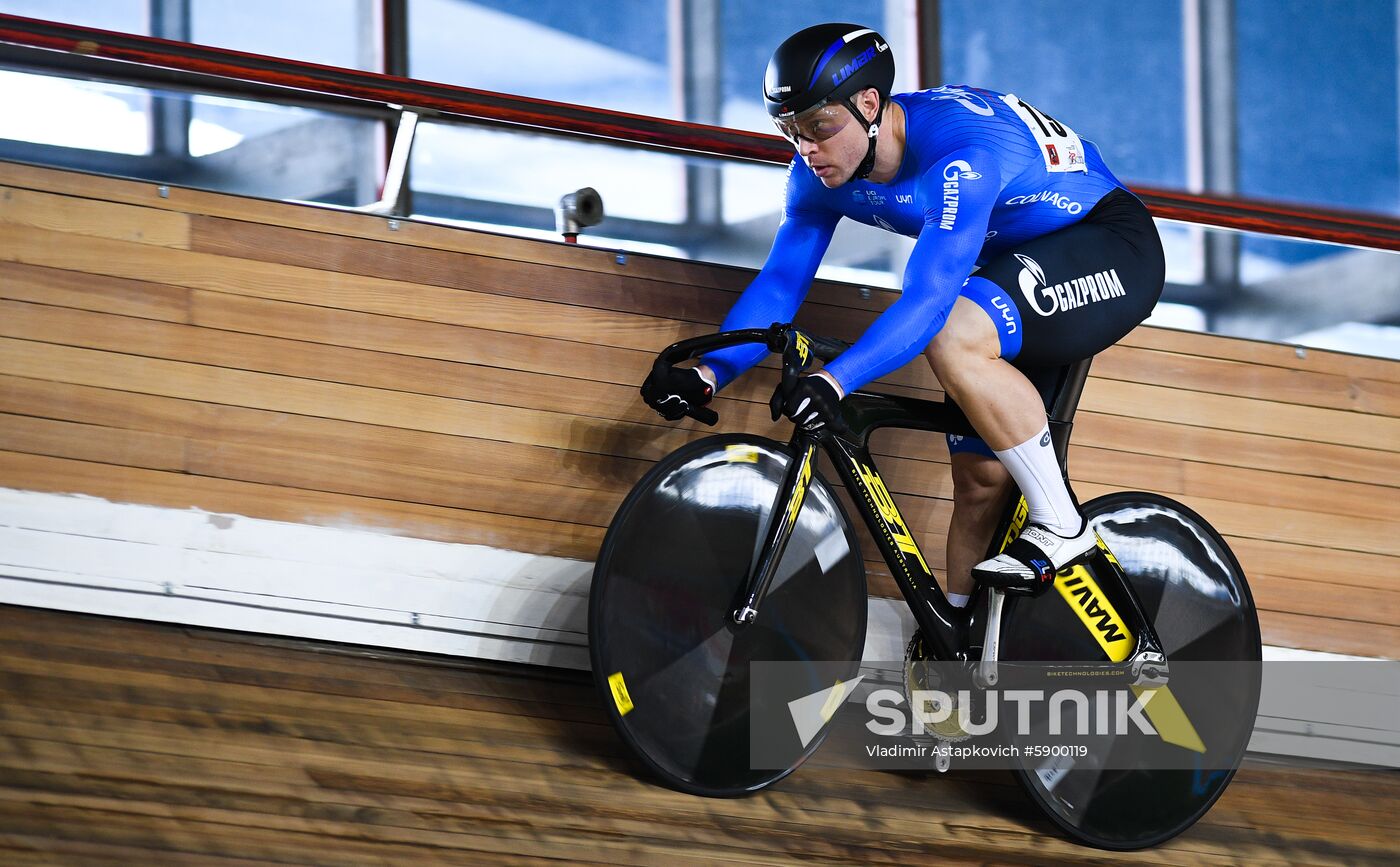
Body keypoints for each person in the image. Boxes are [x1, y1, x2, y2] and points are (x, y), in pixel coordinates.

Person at [640, 23, 1165, 604]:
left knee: (953, 337)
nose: (806, 149)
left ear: (869, 105)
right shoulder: (818, 174)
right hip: (1014, 263)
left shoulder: (961, 154)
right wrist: (708, 372)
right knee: (979, 486)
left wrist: (834, 380)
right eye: (790, 132)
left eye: (819, 127)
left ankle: (1063, 527)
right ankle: (961, 668)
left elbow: (928, 300)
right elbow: (783, 280)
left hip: (1107, 244)